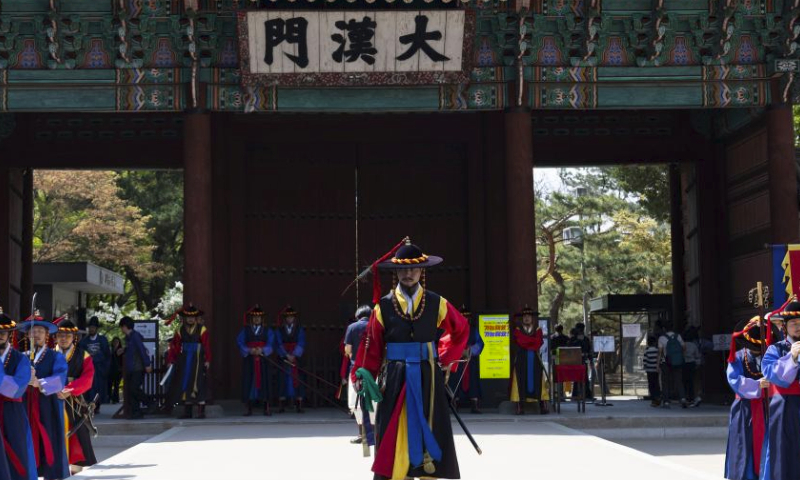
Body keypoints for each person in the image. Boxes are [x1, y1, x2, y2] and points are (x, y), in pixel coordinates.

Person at [352, 238, 469, 480]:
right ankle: (399, 473)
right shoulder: (382, 307)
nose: (409, 273)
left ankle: (426, 472)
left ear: (422, 270)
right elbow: (371, 346)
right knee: (395, 428)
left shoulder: (438, 303)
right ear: (396, 272)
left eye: (414, 268)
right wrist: (362, 374)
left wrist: (445, 357)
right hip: (395, 377)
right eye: (403, 269)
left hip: (428, 376)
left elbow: (461, 329)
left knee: (430, 423)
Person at [18, 312, 69, 480]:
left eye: (40, 331)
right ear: (27, 335)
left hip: (47, 405)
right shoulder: (21, 358)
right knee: (24, 440)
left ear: (47, 335)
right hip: (24, 405)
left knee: (50, 438)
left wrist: (39, 383)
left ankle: (52, 474)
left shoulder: (56, 356)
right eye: (33, 331)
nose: (36, 334)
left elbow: (60, 378)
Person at [724, 316, 776, 480]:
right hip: (745, 409)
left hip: (770, 406)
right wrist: (756, 385)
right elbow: (734, 380)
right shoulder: (738, 357)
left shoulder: (772, 354)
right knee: (744, 445)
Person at [761, 300, 800, 480]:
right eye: (793, 323)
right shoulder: (775, 349)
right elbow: (770, 372)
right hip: (785, 407)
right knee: (784, 450)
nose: (798, 327)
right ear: (784, 327)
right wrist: (791, 357)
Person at [53, 317, 97, 474]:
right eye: (59, 335)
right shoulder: (49, 353)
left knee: (78, 434)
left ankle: (76, 469)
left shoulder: (83, 355)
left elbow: (88, 378)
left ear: (74, 337)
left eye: (67, 336)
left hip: (74, 400)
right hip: (52, 399)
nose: (63, 339)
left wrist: (70, 390)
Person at [0, 308, 36, 480]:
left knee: (17, 451)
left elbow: (16, 388)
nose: (0, 335)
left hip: (12, 411)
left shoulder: (20, 359)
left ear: (10, 334)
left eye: (3, 332)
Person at [165, 304, 211, 419]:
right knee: (185, 382)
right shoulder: (180, 329)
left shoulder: (202, 329)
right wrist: (171, 359)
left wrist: (207, 359)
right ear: (185, 318)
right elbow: (175, 346)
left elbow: (207, 346)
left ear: (196, 318)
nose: (190, 319)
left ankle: (201, 412)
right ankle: (188, 412)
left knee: (198, 382)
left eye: (192, 317)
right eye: (188, 317)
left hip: (198, 359)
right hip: (184, 359)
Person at [236, 305, 274, 416]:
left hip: (263, 359)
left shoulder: (267, 330)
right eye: (254, 317)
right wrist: (249, 350)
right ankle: (249, 408)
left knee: (265, 381)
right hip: (250, 359)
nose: (256, 319)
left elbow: (271, 343)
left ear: (262, 319)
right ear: (251, 319)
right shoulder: (246, 330)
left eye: (259, 317)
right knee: (249, 381)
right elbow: (239, 342)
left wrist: (262, 350)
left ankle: (266, 408)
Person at [344, 305, 373, 445]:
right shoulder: (376, 327)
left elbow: (347, 349)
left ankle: (362, 433)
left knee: (356, 402)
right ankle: (373, 433)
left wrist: (352, 356)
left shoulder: (352, 328)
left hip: (356, 369)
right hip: (373, 369)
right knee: (373, 401)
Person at [448, 306, 484, 414]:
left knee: (473, 381)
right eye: (462, 317)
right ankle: (455, 404)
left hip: (470, 360)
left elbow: (480, 343)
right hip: (458, 361)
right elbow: (449, 344)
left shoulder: (473, 331)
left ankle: (474, 405)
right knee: (455, 381)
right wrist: (459, 351)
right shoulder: (454, 331)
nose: (464, 319)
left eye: (467, 317)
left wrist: (469, 351)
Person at [510, 306, 546, 415]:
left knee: (538, 380)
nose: (526, 318)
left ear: (532, 318)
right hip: (521, 358)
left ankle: (542, 405)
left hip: (535, 358)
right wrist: (532, 342)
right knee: (521, 380)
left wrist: (529, 342)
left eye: (529, 316)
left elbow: (539, 342)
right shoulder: (517, 329)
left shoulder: (538, 329)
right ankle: (520, 406)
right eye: (524, 316)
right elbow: (520, 341)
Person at [119, 316, 152, 420]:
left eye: (121, 327)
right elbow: (131, 350)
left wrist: (147, 364)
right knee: (130, 390)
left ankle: (150, 402)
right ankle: (135, 412)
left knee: (134, 389)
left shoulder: (135, 336)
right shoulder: (129, 338)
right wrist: (124, 349)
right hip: (131, 368)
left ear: (125, 326)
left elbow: (142, 350)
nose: (121, 329)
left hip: (137, 368)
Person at [275, 306, 306, 413]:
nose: (289, 319)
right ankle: (282, 404)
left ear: (294, 318)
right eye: (287, 317)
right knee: (282, 380)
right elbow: (278, 343)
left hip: (295, 358)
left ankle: (299, 404)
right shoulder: (280, 329)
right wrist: (285, 355)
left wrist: (294, 355)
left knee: (298, 380)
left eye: (291, 317)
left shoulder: (299, 329)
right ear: (285, 318)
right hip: (284, 358)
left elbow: (301, 342)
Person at [77, 316, 110, 413]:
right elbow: (80, 355)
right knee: (89, 388)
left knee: (99, 388)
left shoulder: (103, 340)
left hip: (99, 369)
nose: (91, 329)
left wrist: (106, 368)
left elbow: (107, 354)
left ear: (97, 329)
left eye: (93, 327)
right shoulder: (84, 341)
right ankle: (89, 406)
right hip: (88, 368)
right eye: (90, 327)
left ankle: (97, 406)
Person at [658, 322, 686, 408]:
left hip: (666, 362)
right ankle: (683, 399)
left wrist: (658, 363)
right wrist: (681, 356)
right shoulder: (678, 336)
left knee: (665, 381)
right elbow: (684, 347)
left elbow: (660, 352)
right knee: (679, 380)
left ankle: (666, 402)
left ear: (664, 329)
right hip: (677, 361)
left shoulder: (662, 338)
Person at [683, 328, 702, 408]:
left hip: (684, 364)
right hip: (692, 364)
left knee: (684, 381)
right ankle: (693, 397)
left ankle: (687, 397)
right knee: (692, 381)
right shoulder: (693, 345)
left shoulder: (682, 344)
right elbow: (697, 355)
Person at [643, 336, 660, 407]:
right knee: (656, 384)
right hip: (656, 370)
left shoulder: (647, 351)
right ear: (655, 343)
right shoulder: (657, 350)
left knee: (651, 384)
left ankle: (653, 400)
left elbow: (645, 362)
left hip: (649, 370)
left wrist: (645, 368)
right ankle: (658, 397)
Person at [107, 337, 123, 404]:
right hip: (110, 370)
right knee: (109, 385)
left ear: (119, 343)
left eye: (117, 341)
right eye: (114, 341)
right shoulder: (110, 350)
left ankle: (115, 399)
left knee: (116, 385)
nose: (115, 343)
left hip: (118, 370)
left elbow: (122, 360)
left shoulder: (120, 350)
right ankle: (109, 398)